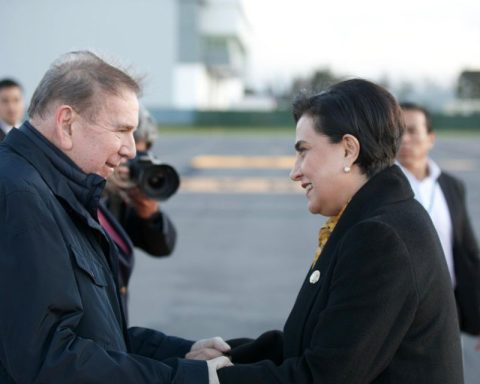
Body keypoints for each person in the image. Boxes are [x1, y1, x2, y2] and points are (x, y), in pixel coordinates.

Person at [191, 79, 464, 383]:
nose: (295, 172)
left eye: (304, 151)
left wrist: (211, 379)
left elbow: (325, 375)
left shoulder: (380, 237)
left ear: (348, 151)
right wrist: (231, 357)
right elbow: (319, 340)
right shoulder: (375, 218)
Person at [0, 50, 231, 383]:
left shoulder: (58, 188)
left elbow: (98, 336)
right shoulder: (22, 197)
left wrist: (182, 353)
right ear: (67, 124)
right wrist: (181, 378)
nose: (131, 149)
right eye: (121, 130)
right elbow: (48, 359)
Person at [397, 102, 480, 382]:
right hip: (394, 309)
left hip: (444, 310)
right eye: (397, 132)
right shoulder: (378, 186)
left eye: (411, 131)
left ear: (430, 138)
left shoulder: (451, 186)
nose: (404, 139)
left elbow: (466, 253)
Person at [99, 106, 177, 317]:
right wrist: (104, 183)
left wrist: (150, 213)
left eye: (140, 155)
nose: (130, 158)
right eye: (126, 153)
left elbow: (162, 247)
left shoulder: (124, 195)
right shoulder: (93, 188)